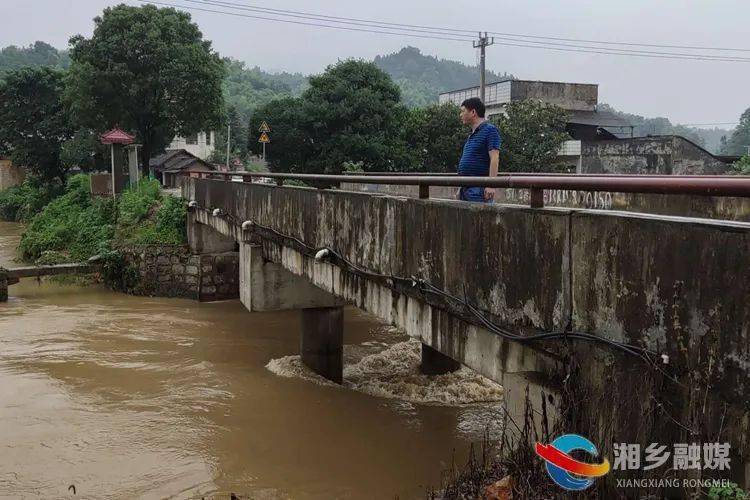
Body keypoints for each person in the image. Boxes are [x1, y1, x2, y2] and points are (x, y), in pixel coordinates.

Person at [457, 97, 501, 202]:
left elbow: (494, 158)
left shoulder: (490, 130)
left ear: (473, 112)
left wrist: (491, 185)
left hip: (479, 190)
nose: (461, 114)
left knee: (482, 218)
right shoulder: (472, 135)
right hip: (466, 188)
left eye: (463, 111)